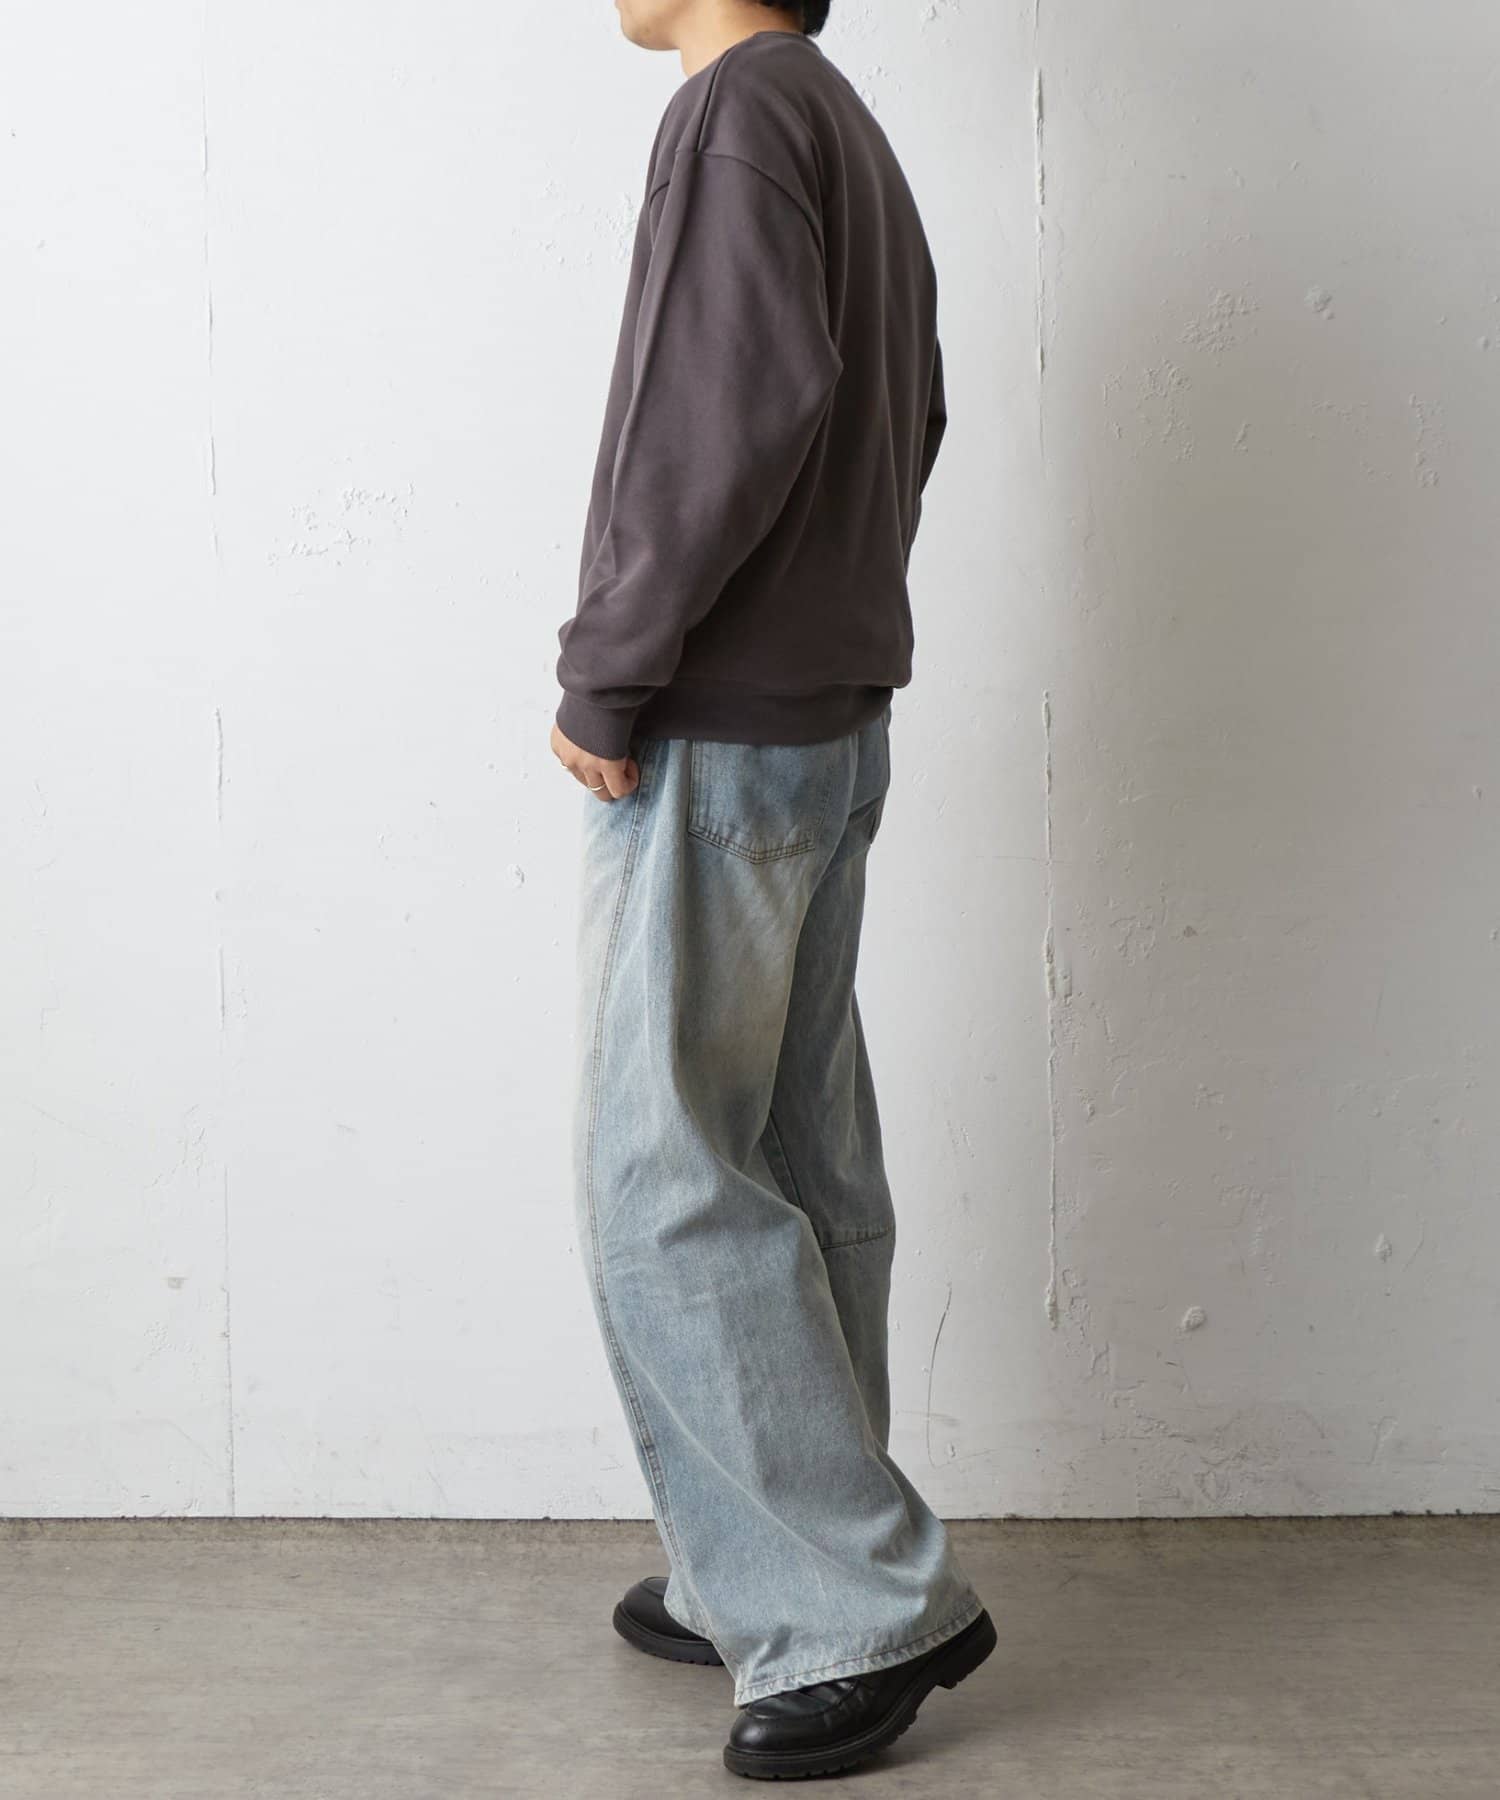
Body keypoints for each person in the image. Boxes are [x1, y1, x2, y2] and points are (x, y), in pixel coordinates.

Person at [549, 0, 993, 1780]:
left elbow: (713, 416)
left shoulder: (735, 111)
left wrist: (610, 670)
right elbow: (913, 409)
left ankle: (852, 1599)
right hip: (825, 715)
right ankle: (769, 1557)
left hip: (722, 726)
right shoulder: (841, 123)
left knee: (661, 1176)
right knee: (796, 1162)